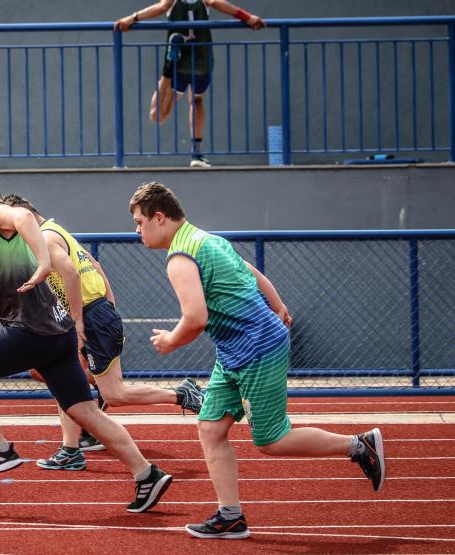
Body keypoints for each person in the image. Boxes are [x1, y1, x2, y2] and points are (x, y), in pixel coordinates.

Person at [128, 183, 386, 539]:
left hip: (257, 349)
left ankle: (360, 445)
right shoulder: (206, 239)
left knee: (271, 440)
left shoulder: (180, 258)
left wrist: (171, 340)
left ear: (159, 217)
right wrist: (277, 303)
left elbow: (196, 318)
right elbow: (248, 269)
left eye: (140, 222)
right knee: (211, 427)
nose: (137, 230)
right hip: (234, 352)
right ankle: (230, 516)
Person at [0, 162, 172, 513]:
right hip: (55, 335)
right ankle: (146, 473)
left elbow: (22, 218)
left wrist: (42, 263)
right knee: (83, 410)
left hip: (33, 331)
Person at [0, 194, 203, 471]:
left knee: (114, 393)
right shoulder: (56, 231)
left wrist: (81, 319)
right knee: (61, 378)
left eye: (8, 226)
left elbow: (70, 274)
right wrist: (108, 301)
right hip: (94, 313)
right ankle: (72, 446)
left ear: (21, 215)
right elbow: (93, 264)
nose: (7, 231)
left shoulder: (44, 238)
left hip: (89, 317)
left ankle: (180, 394)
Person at [114, 0, 265, 167]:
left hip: (180, 65)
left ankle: (167, 68)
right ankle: (196, 153)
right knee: (197, 100)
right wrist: (248, 17)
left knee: (157, 116)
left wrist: (132, 18)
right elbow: (214, 2)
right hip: (202, 61)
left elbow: (162, 7)